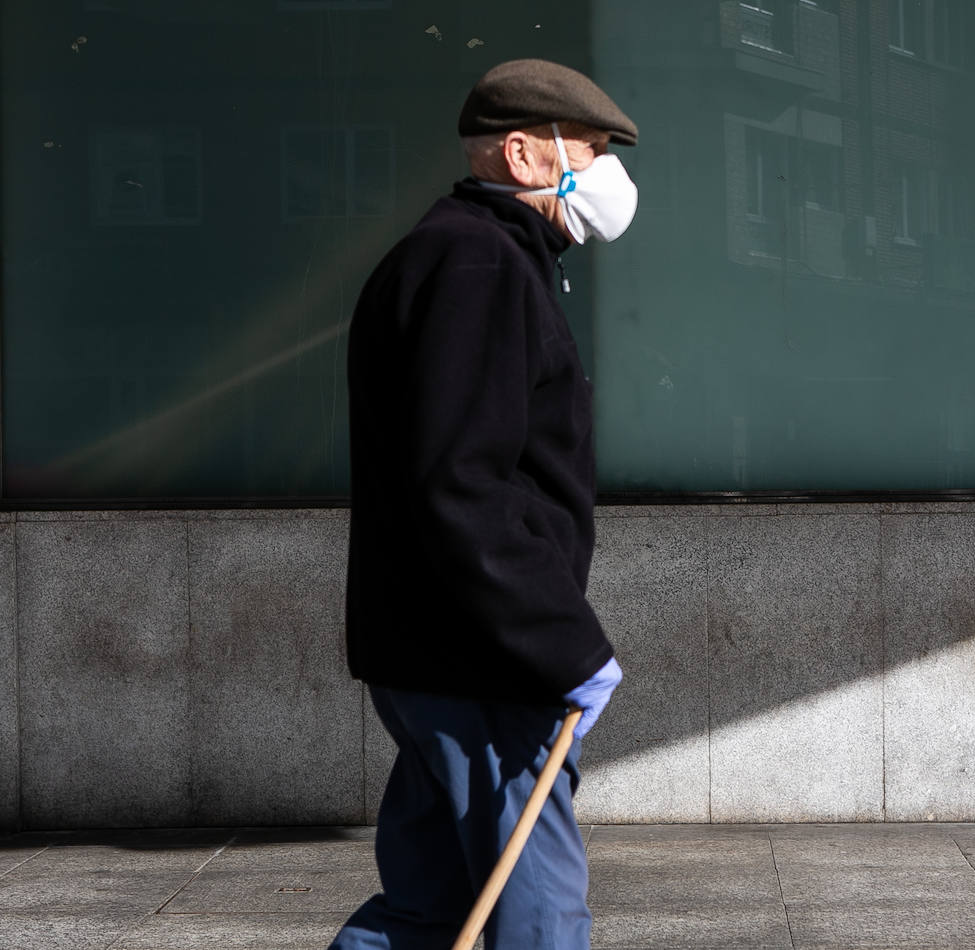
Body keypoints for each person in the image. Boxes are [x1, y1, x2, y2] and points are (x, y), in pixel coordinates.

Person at [330, 59, 639, 950]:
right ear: (525, 153)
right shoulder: (477, 263)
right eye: (589, 149)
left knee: (433, 910)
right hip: (484, 662)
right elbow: (462, 480)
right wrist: (566, 648)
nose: (609, 174)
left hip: (444, 653)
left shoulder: (467, 253)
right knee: (535, 909)